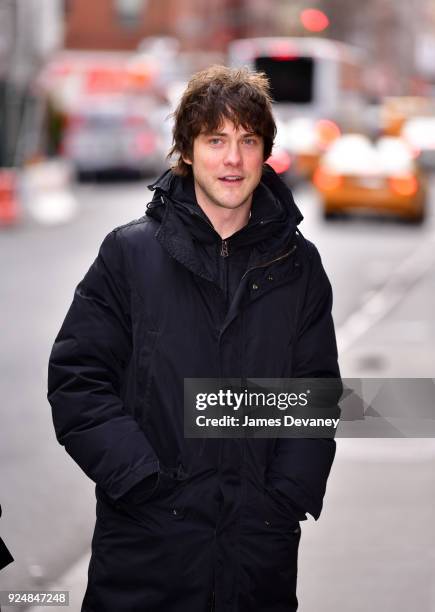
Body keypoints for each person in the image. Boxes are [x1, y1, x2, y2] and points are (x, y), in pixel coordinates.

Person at [47, 65, 340, 612]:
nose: (233, 159)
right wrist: (139, 481)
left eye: (248, 140)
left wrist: (284, 497)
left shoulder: (299, 266)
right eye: (216, 140)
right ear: (186, 151)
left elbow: (316, 393)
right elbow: (77, 381)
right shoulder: (129, 255)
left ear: (265, 153)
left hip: (257, 558)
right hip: (145, 553)